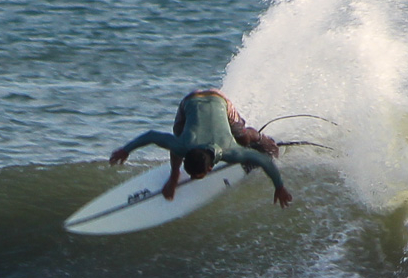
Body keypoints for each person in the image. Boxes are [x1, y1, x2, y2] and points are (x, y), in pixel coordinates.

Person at [108, 88, 292, 207]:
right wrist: (126, 150)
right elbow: (151, 136)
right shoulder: (183, 146)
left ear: (210, 168)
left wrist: (279, 187)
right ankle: (174, 175)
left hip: (219, 100)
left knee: (243, 137)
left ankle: (260, 137)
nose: (196, 179)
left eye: (198, 175)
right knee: (178, 140)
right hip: (190, 100)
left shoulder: (231, 151)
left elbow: (265, 160)